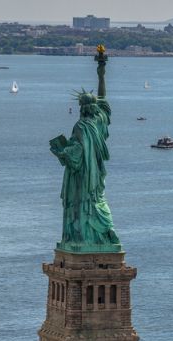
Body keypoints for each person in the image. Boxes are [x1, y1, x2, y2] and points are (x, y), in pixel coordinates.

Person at [49, 46, 120, 252]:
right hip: (96, 173)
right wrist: (101, 72)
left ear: (81, 108)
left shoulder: (80, 126)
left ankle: (80, 236)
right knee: (97, 199)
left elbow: (76, 155)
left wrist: (62, 153)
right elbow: (103, 99)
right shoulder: (99, 120)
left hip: (82, 175)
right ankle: (105, 231)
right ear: (95, 108)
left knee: (81, 202)